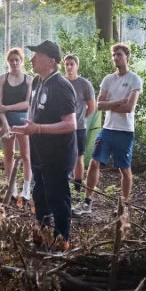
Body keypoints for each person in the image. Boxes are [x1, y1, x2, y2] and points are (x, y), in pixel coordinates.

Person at [10, 40, 77, 250]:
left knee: (58, 197)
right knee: (40, 194)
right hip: (40, 153)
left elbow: (70, 124)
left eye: (36, 56)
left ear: (50, 60)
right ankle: (42, 231)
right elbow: (36, 114)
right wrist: (27, 129)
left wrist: (37, 129)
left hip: (58, 154)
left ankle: (61, 240)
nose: (31, 60)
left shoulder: (61, 86)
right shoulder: (39, 82)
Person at [78, 42, 141, 215]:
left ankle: (124, 206)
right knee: (94, 162)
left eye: (119, 55)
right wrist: (119, 101)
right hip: (108, 129)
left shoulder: (134, 79)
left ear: (127, 57)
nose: (116, 58)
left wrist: (111, 104)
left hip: (125, 131)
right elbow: (99, 104)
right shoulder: (108, 79)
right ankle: (87, 201)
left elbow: (130, 108)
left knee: (124, 169)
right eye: (114, 55)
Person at [0, 48, 33, 206]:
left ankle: (26, 187)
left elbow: (27, 103)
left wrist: (8, 108)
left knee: (25, 155)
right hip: (6, 121)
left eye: (17, 60)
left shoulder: (29, 80)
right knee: (8, 154)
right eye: (11, 60)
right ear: (8, 62)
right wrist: (5, 123)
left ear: (21, 61)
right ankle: (12, 187)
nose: (14, 63)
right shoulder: (3, 79)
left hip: (23, 120)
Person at [63, 54, 96, 194]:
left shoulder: (84, 84)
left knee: (79, 157)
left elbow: (91, 106)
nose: (69, 67)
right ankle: (64, 184)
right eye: (67, 64)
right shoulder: (61, 82)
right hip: (62, 126)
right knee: (63, 155)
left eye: (72, 64)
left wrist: (81, 118)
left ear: (77, 66)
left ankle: (77, 187)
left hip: (79, 126)